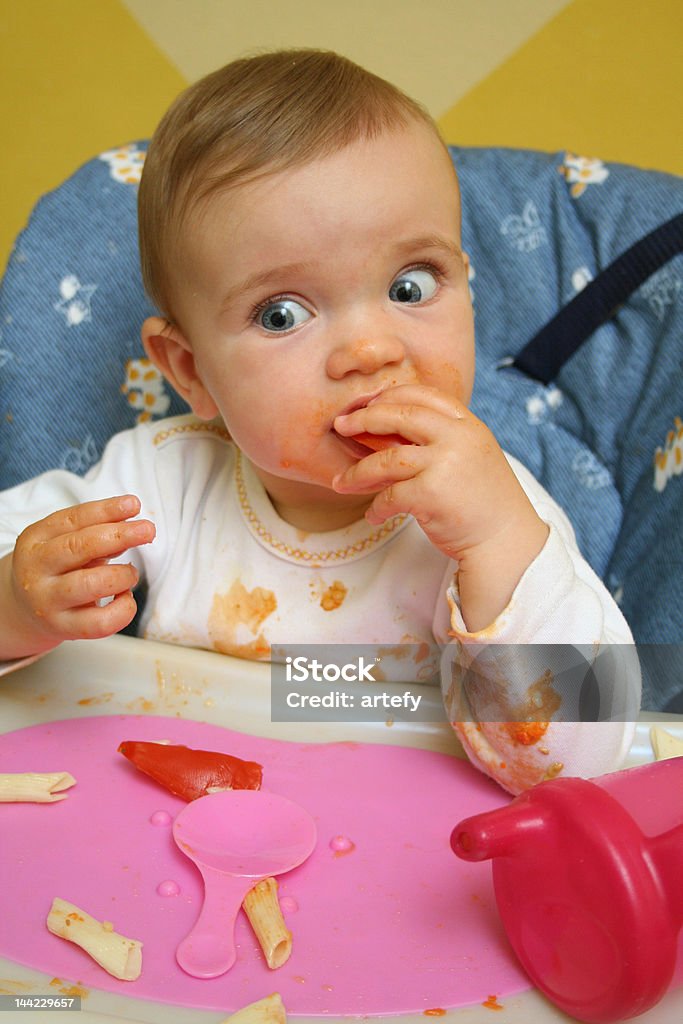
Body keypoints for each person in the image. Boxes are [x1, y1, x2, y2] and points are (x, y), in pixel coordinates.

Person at [0, 49, 638, 793]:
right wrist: (18, 604)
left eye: (409, 286)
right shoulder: (154, 481)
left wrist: (494, 542)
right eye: (282, 314)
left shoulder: (495, 513)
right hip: (183, 823)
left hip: (406, 855)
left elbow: (585, 760)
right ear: (190, 371)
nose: (370, 349)